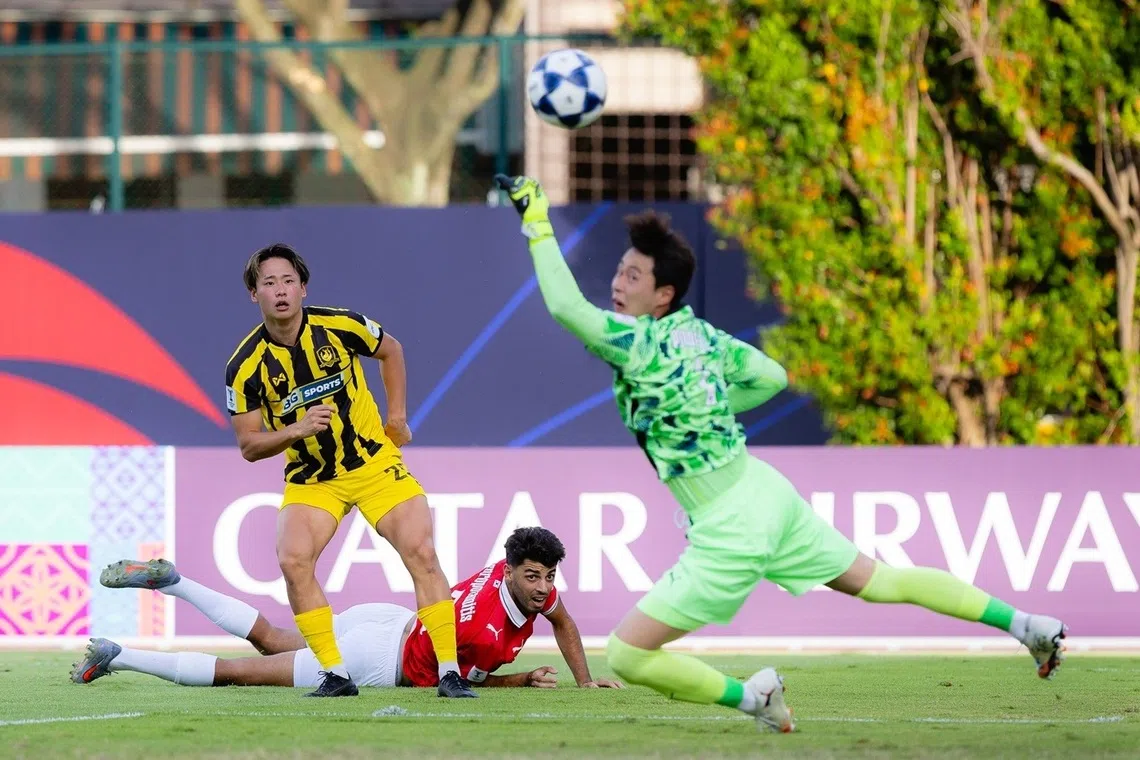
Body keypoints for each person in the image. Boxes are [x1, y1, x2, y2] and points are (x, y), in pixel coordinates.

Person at [492, 174, 1067, 734]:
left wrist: (537, 221)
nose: (619, 282)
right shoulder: (705, 337)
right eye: (620, 269)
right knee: (882, 580)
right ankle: (1025, 624)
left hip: (731, 525)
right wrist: (711, 406)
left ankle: (754, 696)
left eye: (634, 275)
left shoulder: (636, 344)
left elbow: (567, 307)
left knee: (627, 655)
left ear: (663, 294)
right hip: (764, 490)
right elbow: (772, 375)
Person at [223, 243, 472, 698]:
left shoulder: (341, 325)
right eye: (268, 283)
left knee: (421, 550)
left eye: (287, 281)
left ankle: (449, 672)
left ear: (303, 288)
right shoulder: (244, 367)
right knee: (292, 560)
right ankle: (335, 675)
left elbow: (391, 351)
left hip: (373, 463)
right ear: (253, 295)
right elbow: (249, 446)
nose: (280, 291)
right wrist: (296, 430)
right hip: (312, 479)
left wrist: (396, 417)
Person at [70, 528, 622, 692]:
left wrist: (585, 680)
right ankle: (120, 655)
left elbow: (563, 619)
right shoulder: (478, 631)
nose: (544, 589)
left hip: (385, 619)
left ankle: (176, 582)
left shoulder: (517, 580)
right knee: (241, 672)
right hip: (377, 658)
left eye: (549, 578)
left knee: (272, 638)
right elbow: (453, 681)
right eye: (534, 577)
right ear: (510, 570)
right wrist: (521, 679)